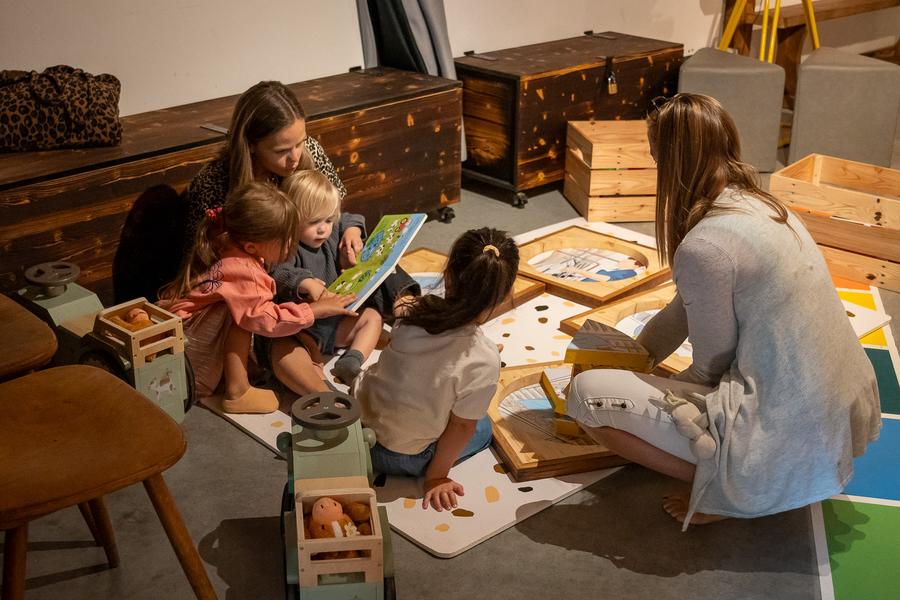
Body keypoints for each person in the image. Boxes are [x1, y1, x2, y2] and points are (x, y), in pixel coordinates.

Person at [566, 93, 882, 528]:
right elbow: (682, 309)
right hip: (827, 405)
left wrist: (642, 388)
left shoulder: (706, 246)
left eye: (658, 159)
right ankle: (736, 471)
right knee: (617, 386)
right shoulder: (763, 205)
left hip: (781, 425)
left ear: (672, 163)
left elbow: (709, 368)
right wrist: (634, 360)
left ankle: (724, 488)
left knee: (586, 398)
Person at [352, 228, 519, 512]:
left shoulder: (411, 314)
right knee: (481, 426)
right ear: (504, 295)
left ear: (449, 276)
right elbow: (461, 425)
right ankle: (432, 468)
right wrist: (436, 477)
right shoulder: (483, 359)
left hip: (359, 434)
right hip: (403, 458)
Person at [158, 181, 356, 414]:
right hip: (190, 349)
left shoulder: (229, 240)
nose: (292, 246)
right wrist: (314, 311)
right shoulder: (246, 273)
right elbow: (265, 320)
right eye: (286, 240)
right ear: (253, 246)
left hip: (185, 332)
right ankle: (238, 391)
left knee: (247, 313)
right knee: (247, 316)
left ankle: (233, 383)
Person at [183, 80, 346, 250]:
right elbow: (200, 255)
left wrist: (349, 231)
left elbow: (333, 210)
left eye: (300, 143)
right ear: (251, 144)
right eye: (281, 151)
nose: (295, 157)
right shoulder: (213, 183)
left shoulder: (311, 150)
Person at [269, 169, 383, 390]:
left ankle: (352, 361)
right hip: (304, 332)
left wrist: (352, 231)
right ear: (290, 218)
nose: (323, 228)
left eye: (329, 220)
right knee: (291, 354)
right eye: (313, 222)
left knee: (373, 317)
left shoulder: (329, 230)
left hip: (335, 325)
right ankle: (319, 387)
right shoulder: (287, 245)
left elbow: (349, 217)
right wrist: (306, 282)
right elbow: (280, 273)